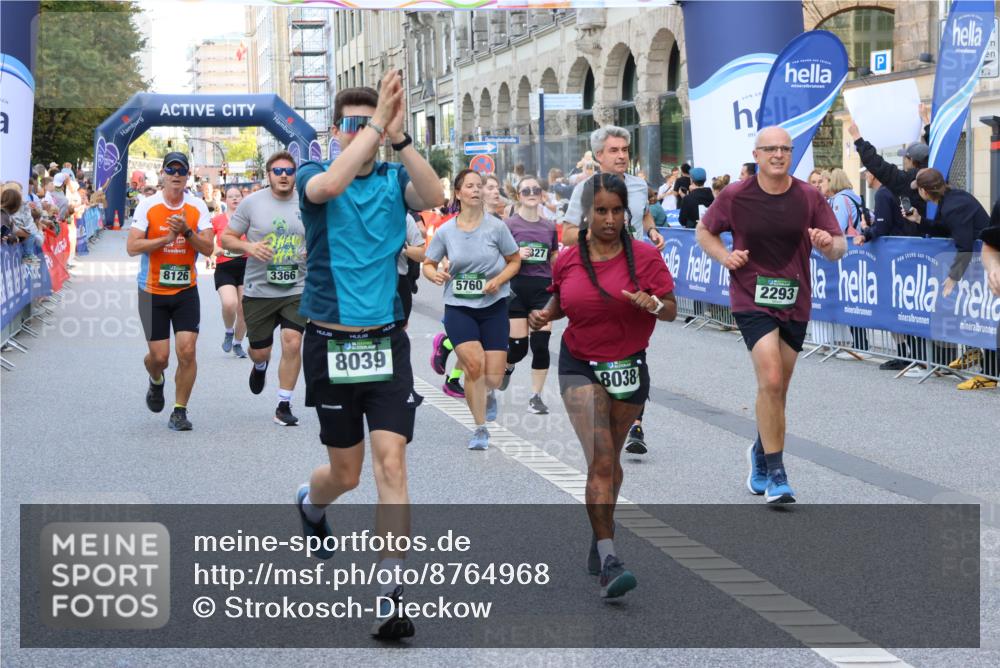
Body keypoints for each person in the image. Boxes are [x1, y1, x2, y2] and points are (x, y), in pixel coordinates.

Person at [293, 73, 444, 640]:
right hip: (330, 343)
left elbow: (432, 198)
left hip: (385, 341)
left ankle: (390, 592)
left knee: (391, 463)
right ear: (336, 131)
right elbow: (327, 187)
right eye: (352, 124)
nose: (363, 132)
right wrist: (378, 121)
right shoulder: (314, 173)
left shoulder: (389, 177)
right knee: (346, 474)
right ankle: (310, 504)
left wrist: (400, 140)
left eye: (369, 123)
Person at [529, 173, 677, 598]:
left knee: (610, 462)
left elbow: (669, 310)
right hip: (580, 364)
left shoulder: (646, 258)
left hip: (629, 366)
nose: (609, 219)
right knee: (601, 457)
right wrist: (544, 315)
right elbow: (562, 298)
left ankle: (600, 534)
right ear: (586, 214)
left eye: (616, 211)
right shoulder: (569, 258)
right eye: (601, 211)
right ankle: (610, 559)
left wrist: (652, 303)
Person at [696, 127, 845, 503]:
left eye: (785, 149)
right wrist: (725, 257)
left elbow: (839, 246)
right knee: (772, 376)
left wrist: (828, 245)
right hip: (750, 297)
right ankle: (777, 474)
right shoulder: (735, 195)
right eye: (770, 149)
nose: (778, 154)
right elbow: (704, 231)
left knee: (778, 389)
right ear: (757, 155)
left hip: (795, 299)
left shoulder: (809, 195)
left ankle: (761, 451)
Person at [562, 125, 666, 455]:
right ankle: (602, 398)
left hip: (636, 271)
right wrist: (600, 239)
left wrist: (650, 233)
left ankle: (634, 419)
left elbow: (645, 215)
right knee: (602, 338)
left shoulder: (637, 185)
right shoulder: (585, 191)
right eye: (614, 150)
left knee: (634, 340)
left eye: (625, 149)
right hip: (600, 271)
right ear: (598, 155)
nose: (621, 155)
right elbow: (567, 233)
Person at [424, 169, 521, 449]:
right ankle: (479, 428)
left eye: (480, 186)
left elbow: (514, 261)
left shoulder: (496, 227)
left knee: (493, 375)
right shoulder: (446, 230)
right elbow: (429, 264)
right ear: (458, 193)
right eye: (470, 186)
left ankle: (490, 393)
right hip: (459, 306)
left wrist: (498, 281)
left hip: (493, 305)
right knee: (473, 365)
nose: (476, 190)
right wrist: (435, 275)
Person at [126, 152, 214, 431]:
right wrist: (166, 238)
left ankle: (179, 411)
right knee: (160, 358)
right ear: (163, 174)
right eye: (171, 170)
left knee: (187, 351)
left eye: (182, 170)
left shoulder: (197, 206)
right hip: (151, 291)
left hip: (185, 290)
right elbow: (132, 247)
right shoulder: (148, 206)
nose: (176, 175)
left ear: (188, 176)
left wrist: (187, 232)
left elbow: (209, 248)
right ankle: (156, 380)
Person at [222, 151, 308, 426]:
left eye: (289, 171)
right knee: (260, 350)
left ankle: (284, 403)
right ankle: (260, 366)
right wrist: (249, 246)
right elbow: (226, 238)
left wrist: (313, 250)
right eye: (278, 170)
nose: (284, 175)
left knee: (292, 342)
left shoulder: (308, 202)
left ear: (295, 175)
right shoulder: (251, 203)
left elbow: (326, 233)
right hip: (259, 290)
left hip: (297, 286)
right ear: (268, 175)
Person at [903, 168, 993, 390]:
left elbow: (964, 245)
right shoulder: (950, 199)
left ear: (924, 191)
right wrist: (920, 220)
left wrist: (953, 278)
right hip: (980, 263)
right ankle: (973, 352)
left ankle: (990, 375)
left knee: (988, 314)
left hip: (989, 262)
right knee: (973, 310)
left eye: (919, 190)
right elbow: (946, 229)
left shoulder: (954, 205)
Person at [500, 174, 559, 414]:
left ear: (542, 194)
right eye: (526, 191)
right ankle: (508, 365)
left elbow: (553, 255)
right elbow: (496, 257)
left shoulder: (549, 226)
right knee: (518, 349)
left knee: (541, 345)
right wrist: (515, 255)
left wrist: (563, 269)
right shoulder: (509, 225)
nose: (532, 193)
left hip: (542, 289)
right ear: (518, 196)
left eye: (536, 189)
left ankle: (535, 396)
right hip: (516, 288)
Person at [855, 169, 917, 371]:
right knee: (905, 306)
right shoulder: (896, 190)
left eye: (866, 173)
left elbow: (882, 228)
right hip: (904, 253)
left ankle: (907, 354)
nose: (865, 177)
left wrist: (867, 232)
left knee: (896, 307)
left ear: (873, 175)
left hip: (893, 257)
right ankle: (911, 354)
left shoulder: (883, 193)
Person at [848, 121, 928, 218]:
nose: (904, 161)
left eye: (905, 158)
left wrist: (857, 138)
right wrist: (927, 124)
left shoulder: (908, 180)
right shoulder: (937, 175)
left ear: (912, 161)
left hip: (915, 231)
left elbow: (878, 166)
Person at [211, 186, 249, 359]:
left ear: (242, 199)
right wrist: (214, 249)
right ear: (225, 200)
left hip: (247, 266)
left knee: (244, 309)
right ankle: (228, 331)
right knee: (229, 303)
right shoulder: (217, 220)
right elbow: (203, 239)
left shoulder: (250, 219)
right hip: (224, 265)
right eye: (231, 196)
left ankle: (238, 343)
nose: (234, 199)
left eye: (237, 196)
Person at [397, 212, 426, 326]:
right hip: (362, 281)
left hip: (397, 282)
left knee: (396, 334)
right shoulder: (355, 210)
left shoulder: (404, 216)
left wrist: (402, 247)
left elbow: (422, 255)